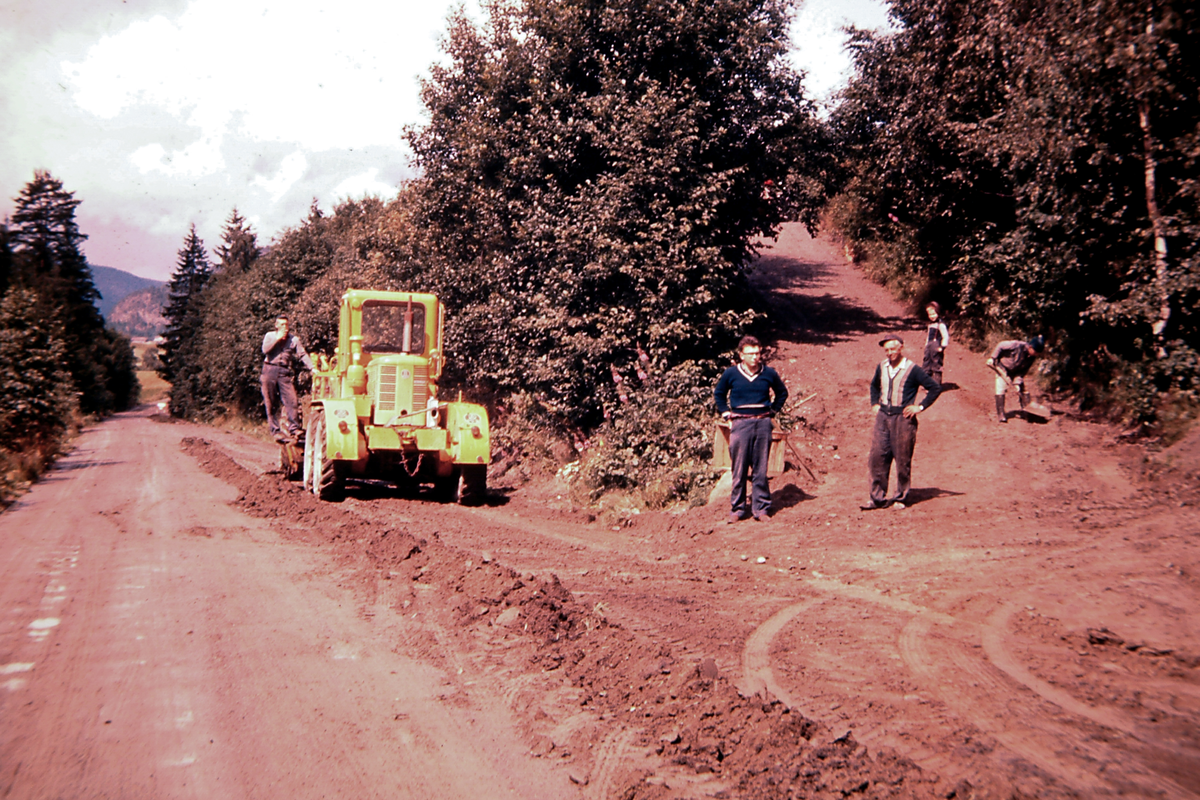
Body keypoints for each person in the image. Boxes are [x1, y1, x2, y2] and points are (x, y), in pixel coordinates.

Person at [714, 336, 788, 523]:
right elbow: (719, 394)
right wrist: (726, 415)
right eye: (750, 354)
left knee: (760, 468)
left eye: (757, 353)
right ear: (741, 355)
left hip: (762, 424)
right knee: (738, 468)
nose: (755, 357)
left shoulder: (768, 373)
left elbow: (782, 393)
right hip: (740, 424)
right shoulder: (731, 374)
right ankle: (737, 509)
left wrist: (772, 411)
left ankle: (761, 509)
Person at [864, 334, 942, 510]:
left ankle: (900, 496)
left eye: (892, 349)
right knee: (877, 457)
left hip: (903, 419)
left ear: (901, 348)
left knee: (902, 458)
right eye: (886, 350)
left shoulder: (912, 369)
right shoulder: (882, 367)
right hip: (883, 417)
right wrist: (875, 403)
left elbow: (935, 387)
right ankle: (877, 498)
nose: (889, 353)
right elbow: (874, 386)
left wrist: (919, 407)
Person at [261, 315, 314, 443]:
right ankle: (275, 430)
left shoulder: (294, 340)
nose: (285, 327)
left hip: (284, 371)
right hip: (269, 369)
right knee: (270, 402)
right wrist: (277, 339)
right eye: (282, 325)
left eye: (287, 325)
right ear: (276, 326)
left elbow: (302, 354)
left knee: (292, 400)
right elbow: (265, 350)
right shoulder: (270, 336)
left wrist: (312, 368)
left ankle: (294, 428)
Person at [986, 335, 1045, 423]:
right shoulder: (1016, 345)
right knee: (1000, 388)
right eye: (1035, 352)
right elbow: (1001, 345)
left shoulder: (1031, 358)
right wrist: (993, 358)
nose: (1036, 354)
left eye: (1038, 353)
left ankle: (1028, 412)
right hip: (1003, 368)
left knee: (1023, 390)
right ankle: (1001, 414)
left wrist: (1017, 383)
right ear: (1030, 347)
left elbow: (1023, 372)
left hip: (1016, 372)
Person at [922, 301, 949, 385]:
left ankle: (936, 384)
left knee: (936, 365)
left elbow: (945, 336)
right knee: (927, 364)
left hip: (937, 347)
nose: (932, 316)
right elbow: (928, 336)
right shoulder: (930, 325)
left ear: (938, 312)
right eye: (930, 315)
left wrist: (942, 346)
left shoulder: (940, 325)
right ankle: (928, 383)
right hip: (929, 347)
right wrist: (926, 345)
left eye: (934, 314)